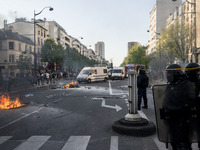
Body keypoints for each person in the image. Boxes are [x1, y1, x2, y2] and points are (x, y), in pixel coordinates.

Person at [163, 64, 196, 150]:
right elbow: (165, 101)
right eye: (167, 73)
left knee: (184, 145)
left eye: (169, 73)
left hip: (183, 123)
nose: (167, 75)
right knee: (174, 143)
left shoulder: (187, 85)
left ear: (176, 73)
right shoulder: (171, 85)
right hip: (172, 122)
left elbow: (189, 103)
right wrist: (164, 116)